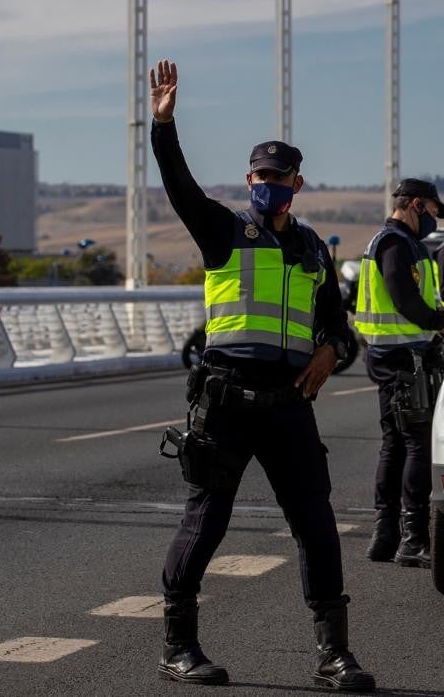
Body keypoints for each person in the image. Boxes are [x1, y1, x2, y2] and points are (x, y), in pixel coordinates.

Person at [149, 60, 373, 692]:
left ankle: (334, 656)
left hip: (288, 406)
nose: (267, 183)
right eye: (258, 174)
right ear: (249, 178)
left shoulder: (311, 249)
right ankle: (179, 645)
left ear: (296, 182)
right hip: (224, 401)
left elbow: (337, 325)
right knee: (207, 519)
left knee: (316, 524)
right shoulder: (221, 228)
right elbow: (177, 184)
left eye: (278, 176)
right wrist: (163, 125)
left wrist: (331, 352)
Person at [357, 179, 444, 567]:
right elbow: (402, 297)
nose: (434, 222)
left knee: (396, 443)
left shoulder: (399, 242)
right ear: (417, 205)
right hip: (403, 357)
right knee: (417, 443)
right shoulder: (394, 243)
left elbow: (411, 297)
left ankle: (385, 536)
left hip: (393, 353)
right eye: (434, 213)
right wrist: (442, 324)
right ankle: (413, 538)